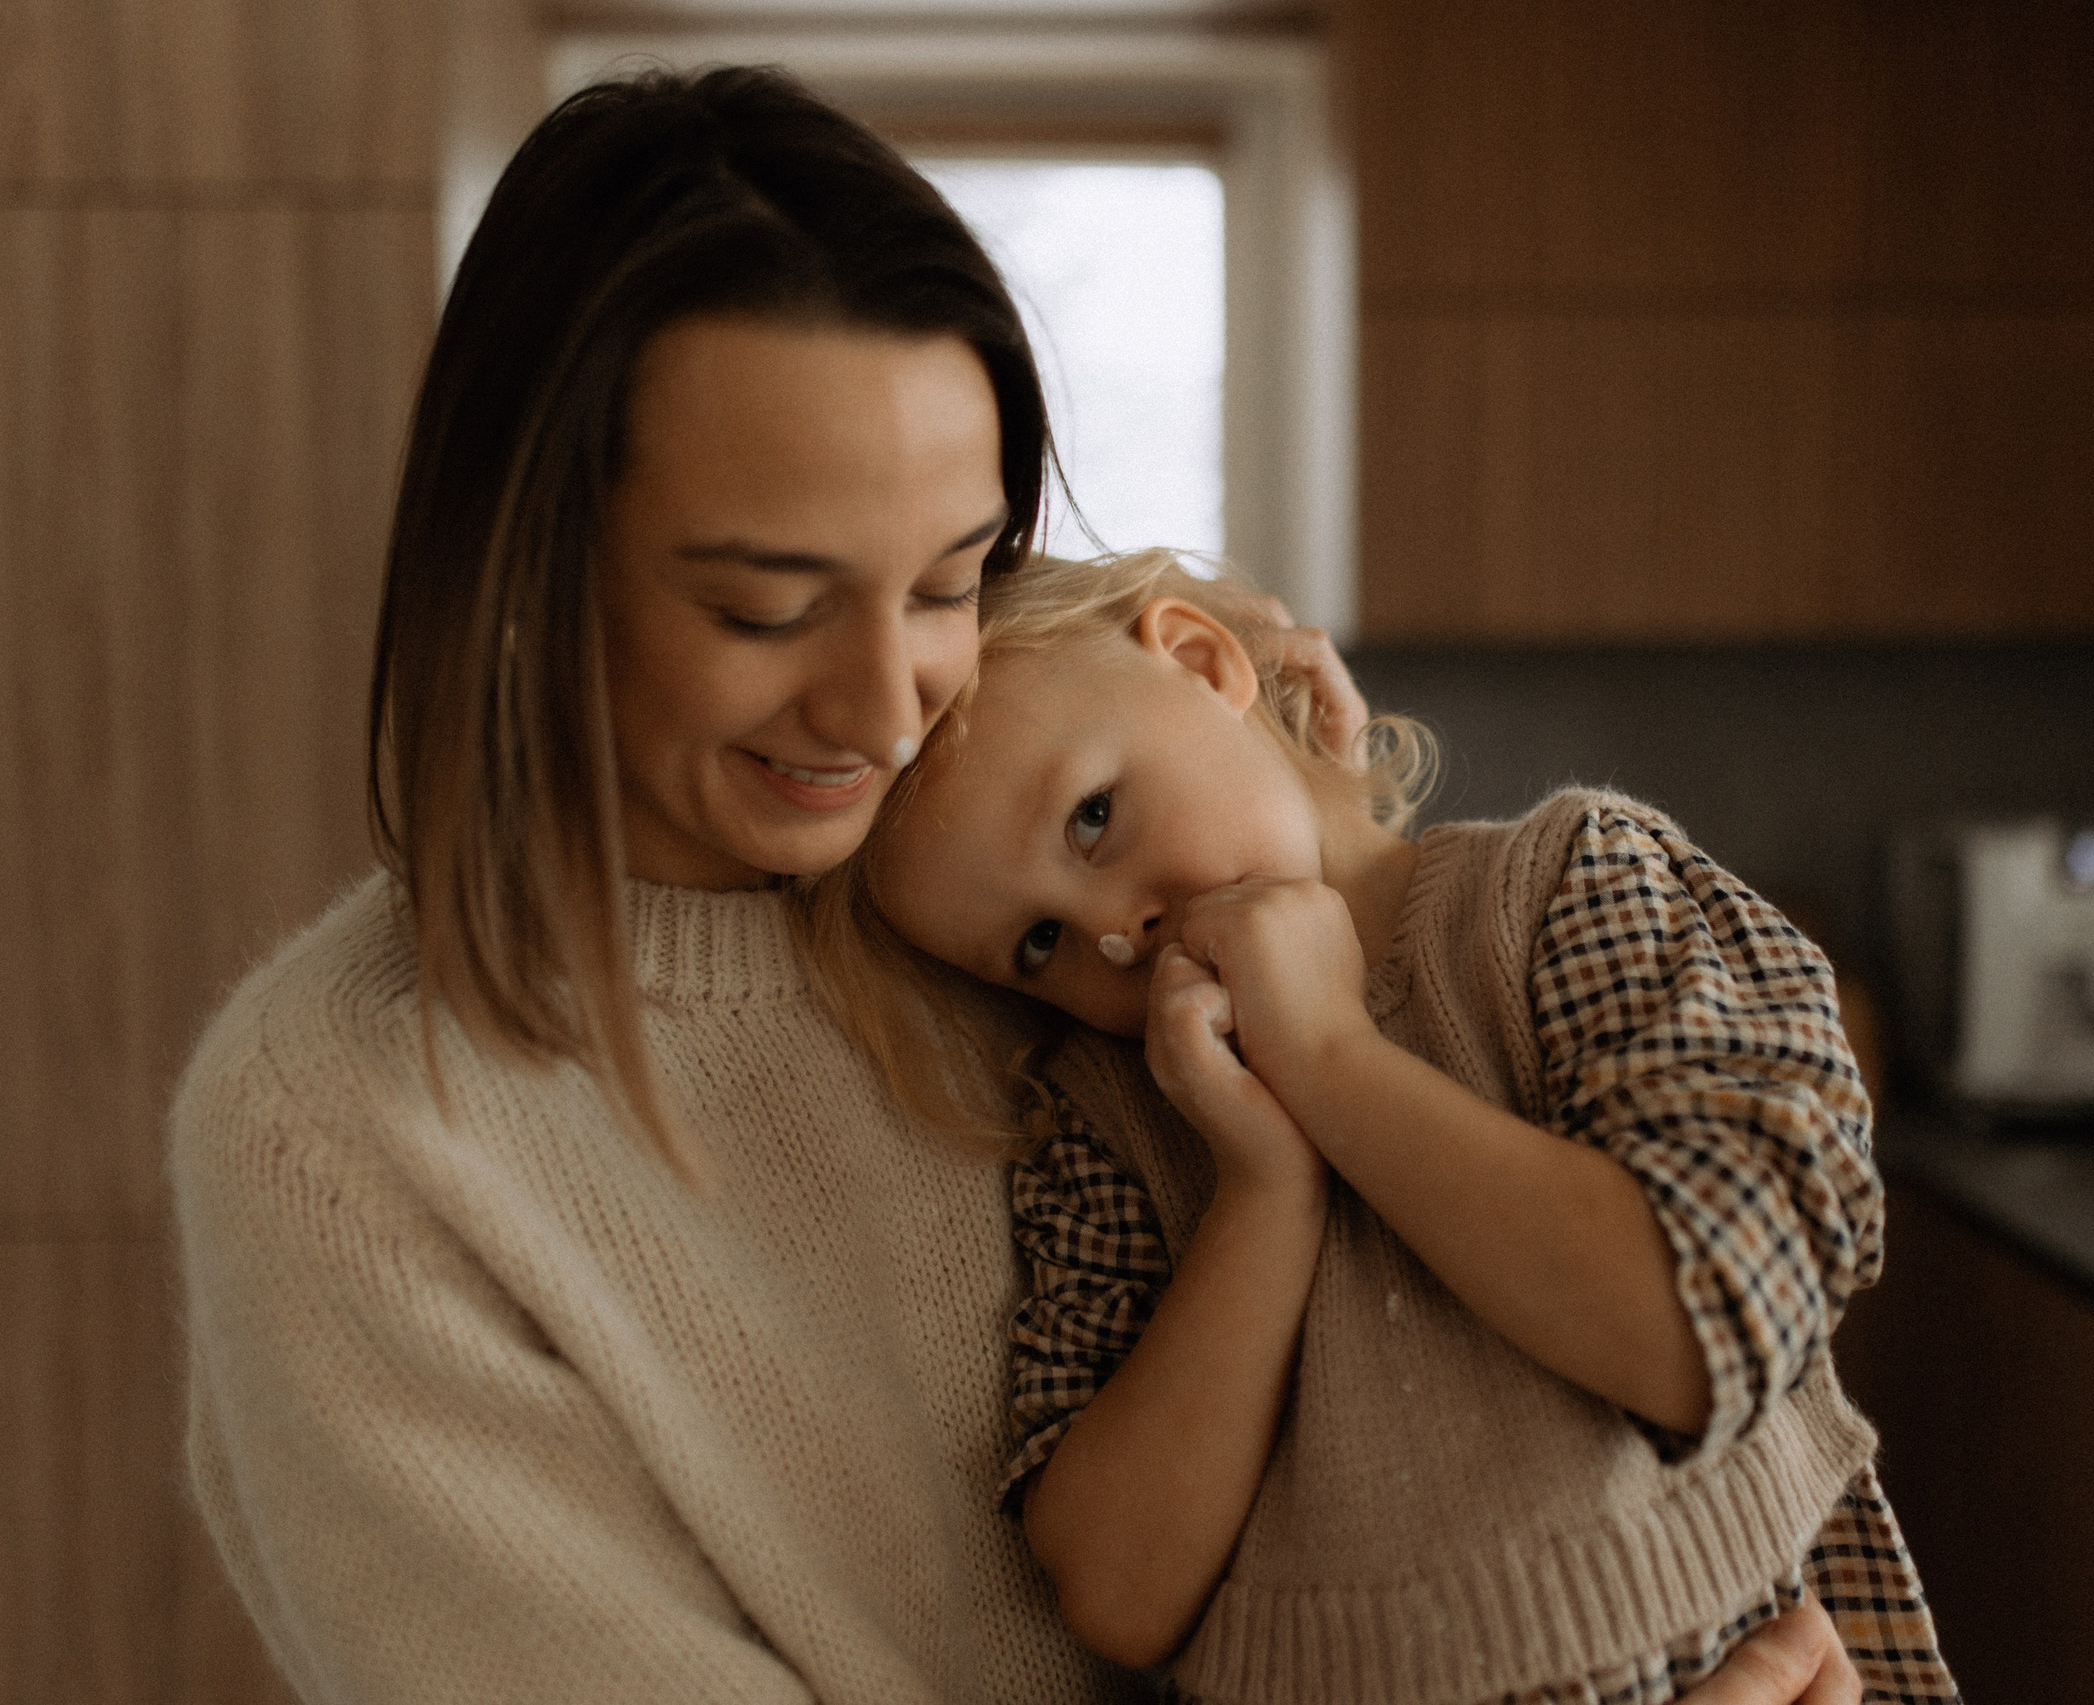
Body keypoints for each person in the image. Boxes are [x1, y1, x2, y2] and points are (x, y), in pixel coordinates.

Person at [169, 63, 1878, 1704]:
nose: (885, 708)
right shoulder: (347, 1131)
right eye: (766, 610)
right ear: (530, 573)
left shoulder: (1013, 895)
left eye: (947, 579)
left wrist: (1261, 730)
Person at [811, 551, 1958, 1702]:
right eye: (1036, 946)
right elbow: (1118, 1594)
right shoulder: (1109, 1119)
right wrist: (1265, 1186)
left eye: (1094, 817)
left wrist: (1329, 1063)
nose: (1116, 936)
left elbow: (1697, 1325)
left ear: (1205, 665)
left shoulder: (1567, 889)